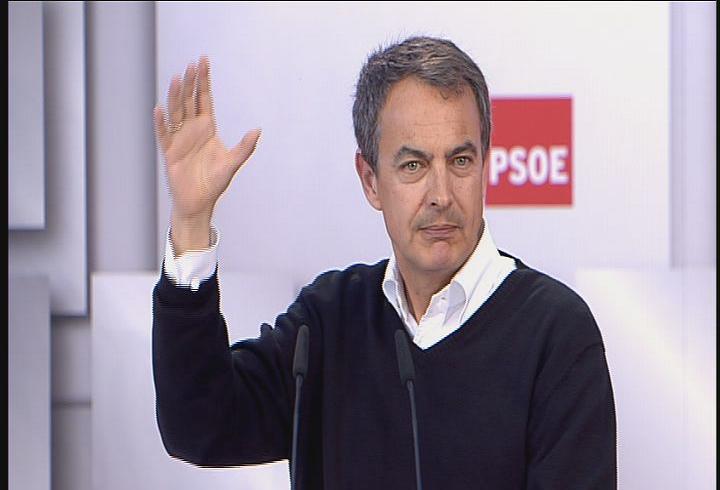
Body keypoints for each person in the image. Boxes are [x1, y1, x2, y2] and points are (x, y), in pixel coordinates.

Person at [152, 36, 617, 489]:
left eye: (460, 161)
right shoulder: (329, 320)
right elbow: (199, 425)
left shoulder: (555, 331)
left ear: (484, 167)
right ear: (370, 180)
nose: (441, 195)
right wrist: (191, 222)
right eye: (413, 166)